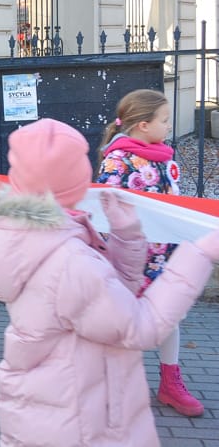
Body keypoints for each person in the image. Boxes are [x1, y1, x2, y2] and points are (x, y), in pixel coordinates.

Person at [0, 118, 219, 446]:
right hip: (85, 422)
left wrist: (126, 240)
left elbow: (108, 302)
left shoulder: (34, 237)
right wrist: (199, 254)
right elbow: (141, 326)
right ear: (72, 179)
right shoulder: (69, 260)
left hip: (56, 409)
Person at [96, 88, 203, 417]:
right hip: (131, 259)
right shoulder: (118, 160)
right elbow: (104, 209)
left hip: (167, 254)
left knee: (169, 317)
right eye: (164, 120)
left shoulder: (164, 156)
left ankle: (171, 382)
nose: (169, 126)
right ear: (143, 125)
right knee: (121, 322)